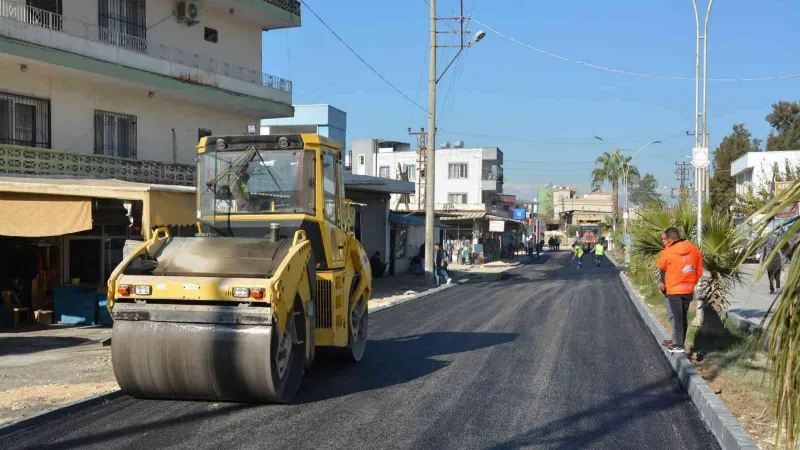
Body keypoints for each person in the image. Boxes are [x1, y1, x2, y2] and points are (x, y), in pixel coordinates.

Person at [657, 227, 703, 354]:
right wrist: (692, 282)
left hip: (674, 290)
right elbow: (699, 270)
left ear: (670, 239)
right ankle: (680, 343)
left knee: (678, 318)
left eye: (666, 239)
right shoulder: (694, 249)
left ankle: (679, 344)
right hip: (688, 290)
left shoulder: (669, 251)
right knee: (683, 317)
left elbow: (661, 264)